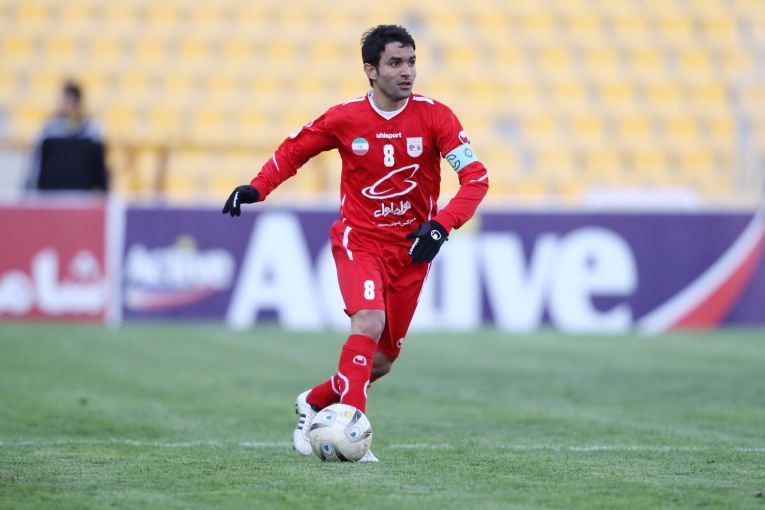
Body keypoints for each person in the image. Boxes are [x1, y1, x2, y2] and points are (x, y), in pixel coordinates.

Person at [222, 24, 489, 461]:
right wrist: (258, 187)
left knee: (380, 361)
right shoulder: (346, 118)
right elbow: (294, 150)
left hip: (411, 251)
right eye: (395, 63)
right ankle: (354, 440)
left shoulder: (437, 117)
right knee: (367, 322)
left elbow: (476, 179)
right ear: (371, 70)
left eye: (411, 62)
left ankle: (315, 402)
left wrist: (441, 225)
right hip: (359, 241)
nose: (407, 71)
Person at [27, 80, 109, 192]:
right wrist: (32, 188)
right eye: (65, 100)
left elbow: (99, 166)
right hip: (52, 193)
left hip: (82, 193)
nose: (67, 105)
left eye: (71, 101)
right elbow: (37, 162)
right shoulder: (49, 129)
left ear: (78, 102)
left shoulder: (92, 129)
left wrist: (101, 189)